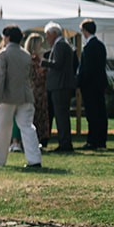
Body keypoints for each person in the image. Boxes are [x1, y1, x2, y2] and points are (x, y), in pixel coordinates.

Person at [0, 26, 43, 170]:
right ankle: (34, 159)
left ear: (8, 37)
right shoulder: (26, 55)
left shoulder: (2, 54)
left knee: (3, 129)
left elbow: (0, 79)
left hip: (7, 97)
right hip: (25, 95)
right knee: (28, 127)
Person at [42, 22, 77, 154]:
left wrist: (43, 62)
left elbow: (58, 64)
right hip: (61, 85)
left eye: (47, 35)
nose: (46, 38)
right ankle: (64, 142)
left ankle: (65, 143)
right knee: (62, 115)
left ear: (54, 33)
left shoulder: (60, 45)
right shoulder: (62, 45)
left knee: (61, 116)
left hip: (60, 86)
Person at [77, 19, 109, 149]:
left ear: (85, 31)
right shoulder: (100, 45)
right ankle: (101, 140)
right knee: (101, 112)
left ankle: (93, 140)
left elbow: (87, 69)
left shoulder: (89, 47)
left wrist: (80, 82)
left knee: (92, 113)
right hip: (100, 84)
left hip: (90, 86)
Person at [24, 30, 51, 148]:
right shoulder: (32, 60)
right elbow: (37, 75)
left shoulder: (34, 59)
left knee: (41, 114)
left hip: (40, 90)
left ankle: (41, 138)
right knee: (38, 114)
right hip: (36, 90)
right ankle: (38, 138)